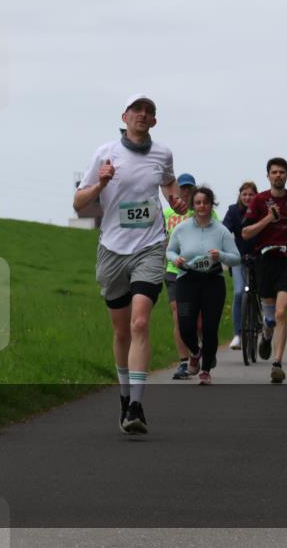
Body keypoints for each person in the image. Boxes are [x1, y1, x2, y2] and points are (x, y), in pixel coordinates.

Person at [75, 95, 187, 434]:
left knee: (140, 323)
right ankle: (124, 397)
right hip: (112, 249)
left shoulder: (163, 153)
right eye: (136, 110)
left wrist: (175, 198)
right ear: (124, 116)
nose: (142, 115)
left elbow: (169, 183)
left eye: (148, 112)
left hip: (150, 247)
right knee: (121, 330)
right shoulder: (104, 153)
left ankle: (137, 405)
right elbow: (80, 203)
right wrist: (101, 183)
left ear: (154, 121)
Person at [241, 157, 287, 384]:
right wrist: (269, 218)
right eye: (274, 172)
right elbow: (246, 233)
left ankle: (277, 364)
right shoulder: (259, 201)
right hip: (265, 259)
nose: (278, 175)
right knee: (270, 316)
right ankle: (267, 335)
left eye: (282, 172)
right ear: (268, 176)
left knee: (282, 313)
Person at [166, 186, 240, 384]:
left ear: (211, 204)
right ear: (193, 205)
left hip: (212, 281)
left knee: (210, 327)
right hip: (187, 281)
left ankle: (206, 370)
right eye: (198, 203)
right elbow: (170, 251)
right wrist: (176, 260)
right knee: (185, 325)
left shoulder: (221, 230)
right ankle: (196, 352)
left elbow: (236, 258)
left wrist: (221, 256)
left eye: (205, 203)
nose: (201, 206)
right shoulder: (181, 228)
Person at [164, 173, 199, 380]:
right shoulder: (167, 213)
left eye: (189, 188)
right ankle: (183, 362)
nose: (185, 192)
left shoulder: (202, 210)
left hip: (197, 271)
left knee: (198, 320)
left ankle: (199, 350)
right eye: (182, 188)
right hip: (173, 270)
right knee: (178, 315)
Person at [222, 181, 258, 350]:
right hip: (238, 259)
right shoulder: (233, 211)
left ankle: (261, 318)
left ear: (255, 196)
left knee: (260, 292)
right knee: (239, 293)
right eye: (244, 194)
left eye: (251, 194)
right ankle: (238, 334)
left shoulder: (261, 210)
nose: (247, 197)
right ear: (240, 195)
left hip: (258, 259)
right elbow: (224, 230)